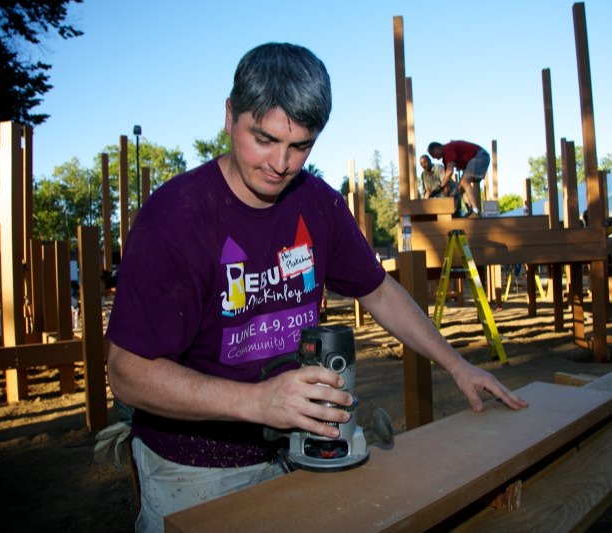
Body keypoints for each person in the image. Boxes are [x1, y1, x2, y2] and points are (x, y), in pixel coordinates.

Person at [105, 42, 527, 532]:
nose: (280, 164)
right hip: (194, 468)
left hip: (298, 449)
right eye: (263, 138)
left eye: (300, 146)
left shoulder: (319, 206)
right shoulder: (173, 218)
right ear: (229, 115)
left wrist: (455, 364)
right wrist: (258, 402)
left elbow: (380, 291)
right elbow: (128, 373)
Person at [427, 140, 490, 218]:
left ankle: (475, 211)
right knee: (460, 188)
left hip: (480, 156)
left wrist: (439, 188)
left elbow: (450, 172)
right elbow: (447, 178)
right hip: (474, 159)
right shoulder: (445, 159)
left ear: (437, 148)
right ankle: (470, 210)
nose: (433, 157)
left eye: (432, 154)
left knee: (464, 182)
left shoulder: (447, 149)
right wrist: (442, 193)